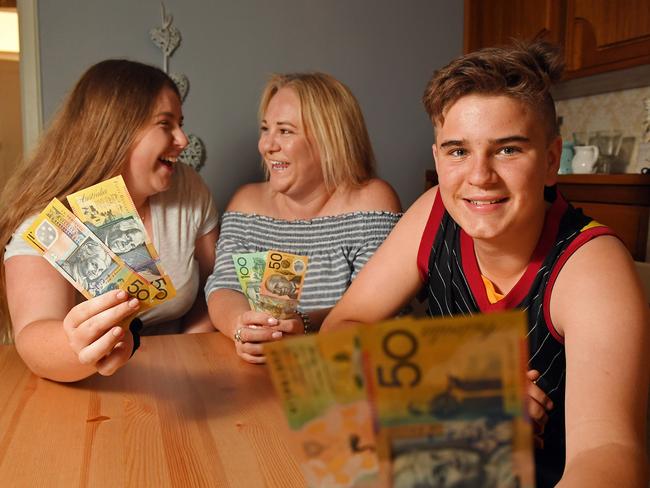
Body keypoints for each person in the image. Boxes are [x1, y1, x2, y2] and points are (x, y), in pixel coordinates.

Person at [322, 41, 649, 487]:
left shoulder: (591, 265)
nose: (479, 176)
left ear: (551, 161)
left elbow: (608, 453)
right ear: (437, 159)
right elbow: (342, 326)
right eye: (458, 151)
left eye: (508, 150)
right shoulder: (433, 211)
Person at [0, 59, 219, 382]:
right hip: (86, 388)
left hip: (180, 383)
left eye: (181, 123)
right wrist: (83, 348)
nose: (183, 140)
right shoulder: (46, 222)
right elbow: (34, 335)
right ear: (116, 131)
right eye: (165, 124)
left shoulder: (187, 188)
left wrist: (187, 354)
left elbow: (210, 289)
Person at [205, 72, 402, 364]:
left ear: (330, 138)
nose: (266, 145)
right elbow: (223, 287)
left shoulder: (372, 202)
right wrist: (240, 326)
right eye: (265, 129)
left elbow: (375, 309)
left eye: (285, 131)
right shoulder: (245, 203)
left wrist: (304, 326)